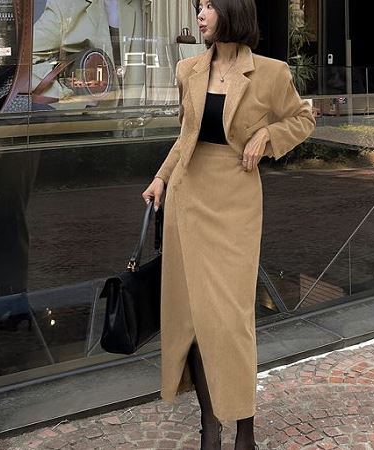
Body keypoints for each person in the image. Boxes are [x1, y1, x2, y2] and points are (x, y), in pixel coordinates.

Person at [141, 0, 315, 448]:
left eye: (209, 6)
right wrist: (161, 178)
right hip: (188, 196)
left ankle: (245, 428)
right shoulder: (188, 69)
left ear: (233, 12)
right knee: (194, 319)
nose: (199, 14)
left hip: (236, 201)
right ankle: (209, 426)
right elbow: (187, 136)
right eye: (198, 6)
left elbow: (304, 117)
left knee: (231, 321)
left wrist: (268, 136)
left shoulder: (271, 73)